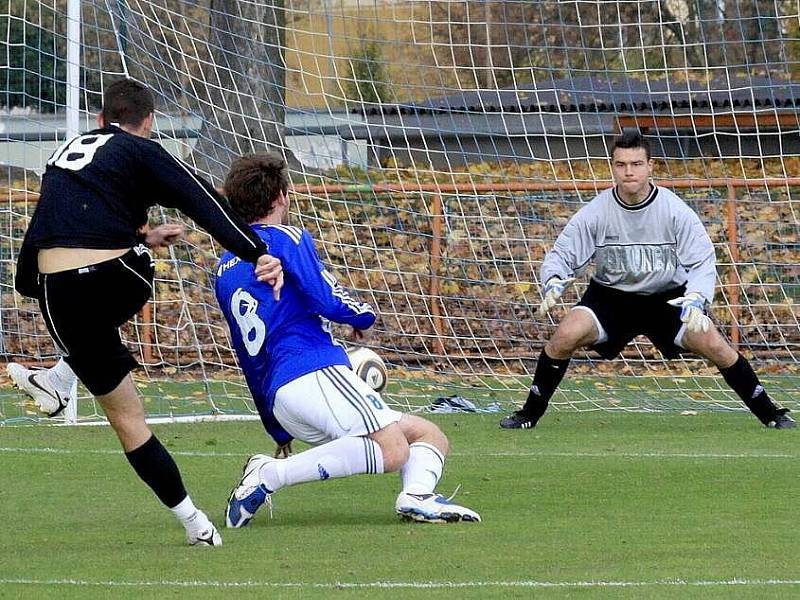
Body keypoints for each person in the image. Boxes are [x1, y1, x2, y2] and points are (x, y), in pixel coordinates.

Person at [14, 78, 285, 546]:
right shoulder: (140, 149)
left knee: (127, 421)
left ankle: (60, 378)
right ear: (148, 124)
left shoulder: (64, 153)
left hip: (57, 295)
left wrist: (30, 286)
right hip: (111, 279)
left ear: (100, 120)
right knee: (140, 268)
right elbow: (201, 200)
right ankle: (194, 522)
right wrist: (254, 250)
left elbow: (53, 224)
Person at [215, 154, 480, 526]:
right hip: (312, 370)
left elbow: (246, 356)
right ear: (280, 197)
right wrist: (363, 316)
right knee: (393, 451)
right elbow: (325, 295)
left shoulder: (224, 269)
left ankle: (416, 496)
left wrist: (275, 426)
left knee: (427, 434)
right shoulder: (285, 237)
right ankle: (268, 475)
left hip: (280, 395)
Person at [500, 130, 794, 431]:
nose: (629, 171)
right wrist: (553, 279)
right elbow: (562, 254)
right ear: (612, 167)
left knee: (714, 343)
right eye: (622, 164)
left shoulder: (674, 210)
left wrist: (697, 297)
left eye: (637, 164)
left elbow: (703, 260)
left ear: (650, 166)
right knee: (565, 335)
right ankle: (529, 414)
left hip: (668, 298)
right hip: (611, 297)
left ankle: (770, 413)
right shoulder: (596, 212)